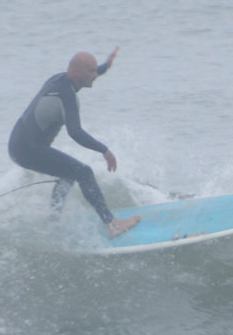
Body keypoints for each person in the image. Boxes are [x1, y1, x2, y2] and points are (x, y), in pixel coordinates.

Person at [8, 47, 141, 237]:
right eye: (92, 71)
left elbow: (87, 74)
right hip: (27, 148)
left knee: (68, 173)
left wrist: (106, 66)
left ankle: (52, 221)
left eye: (96, 70)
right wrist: (104, 150)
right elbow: (75, 132)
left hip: (18, 143)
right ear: (77, 73)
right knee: (83, 172)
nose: (95, 75)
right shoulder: (66, 95)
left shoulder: (60, 79)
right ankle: (111, 224)